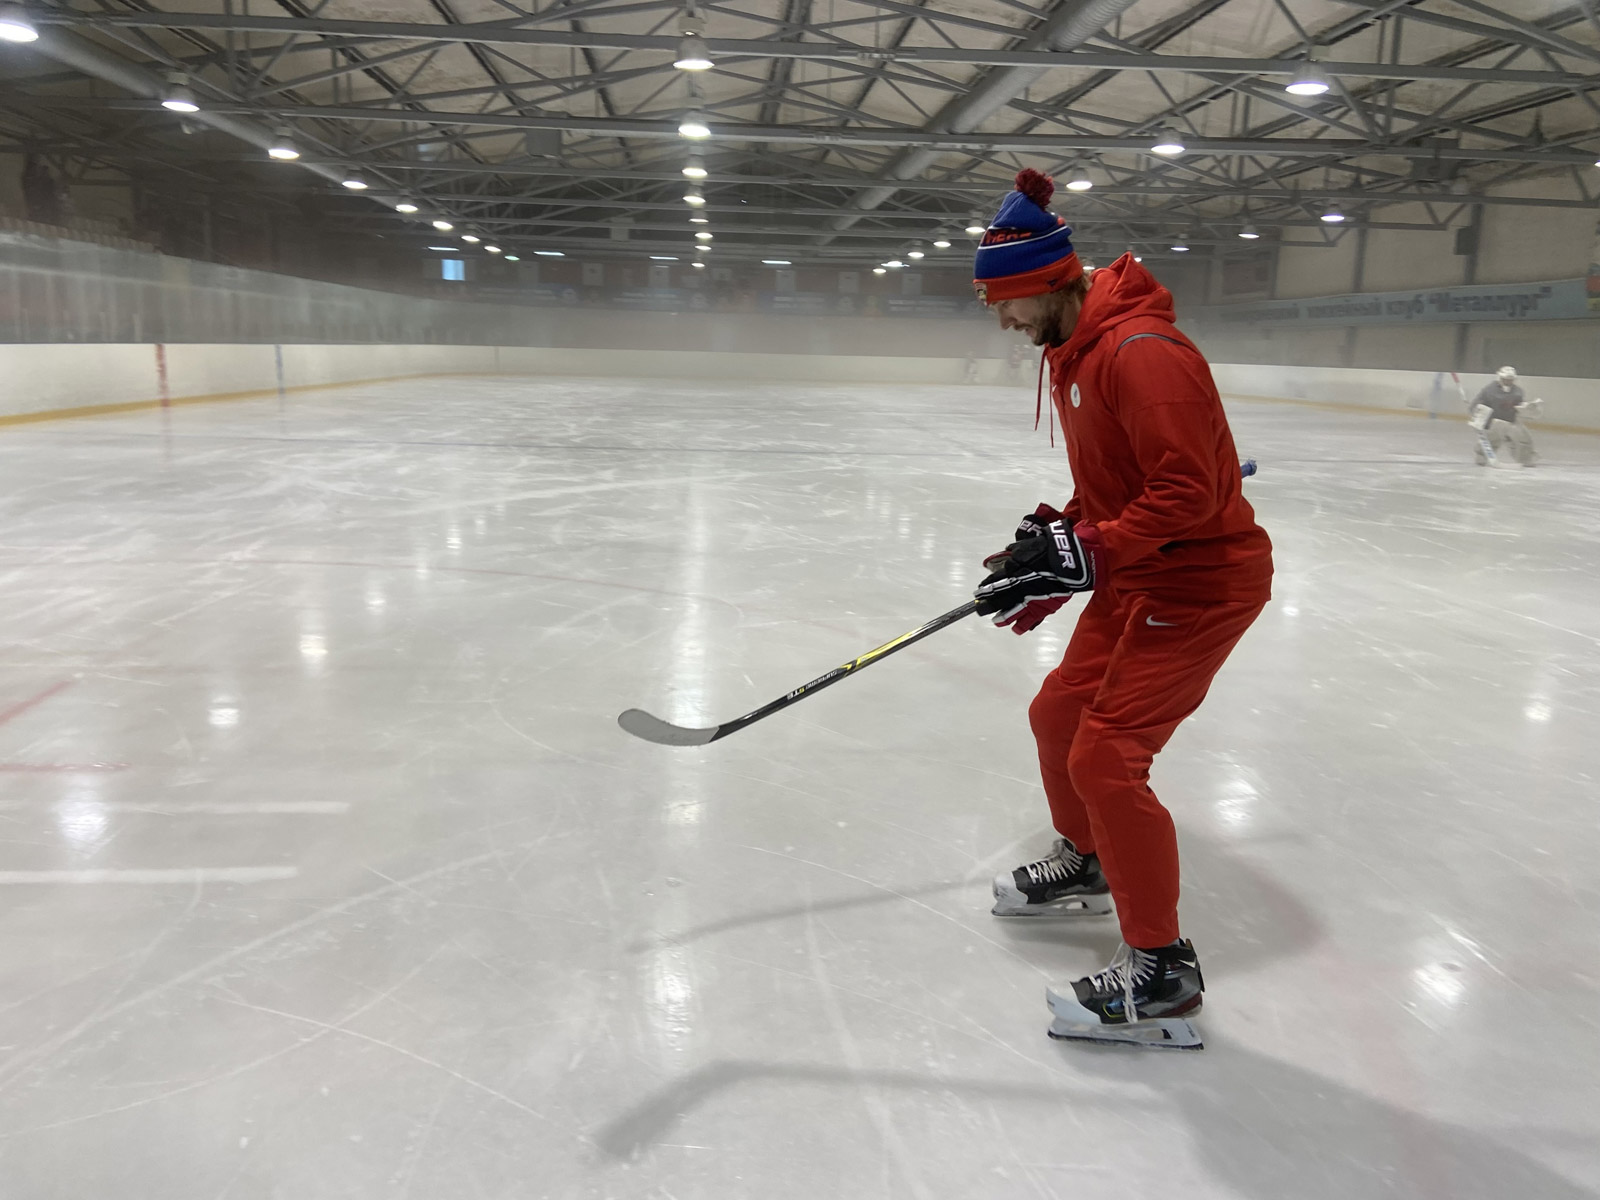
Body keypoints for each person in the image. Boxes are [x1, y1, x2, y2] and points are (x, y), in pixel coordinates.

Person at [969, 169, 1274, 1050]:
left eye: (1006, 302)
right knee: (1057, 712)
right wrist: (1058, 539)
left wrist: (1091, 551)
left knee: (1108, 756)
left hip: (1200, 583)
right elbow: (1122, 482)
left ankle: (1162, 973)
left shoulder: (1139, 352)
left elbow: (1193, 488)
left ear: (1048, 283)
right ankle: (1090, 860)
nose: (1002, 321)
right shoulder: (1079, 351)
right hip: (1142, 572)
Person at [1469, 366, 1539, 467]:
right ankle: (1482, 457)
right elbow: (1477, 404)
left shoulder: (1518, 391)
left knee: (1524, 438)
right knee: (1492, 439)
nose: (1508, 382)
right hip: (1494, 421)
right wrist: (1476, 415)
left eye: (1510, 380)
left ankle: (1526, 459)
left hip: (1512, 420)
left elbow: (1519, 405)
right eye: (1505, 379)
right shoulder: (1489, 390)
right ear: (1500, 378)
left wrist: (1528, 407)